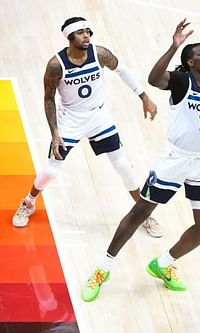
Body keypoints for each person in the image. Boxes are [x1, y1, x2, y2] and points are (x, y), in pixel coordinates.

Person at [81, 9, 200, 302]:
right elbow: (154, 79)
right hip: (173, 160)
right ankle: (102, 269)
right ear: (191, 62)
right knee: (140, 213)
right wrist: (174, 45)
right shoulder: (182, 83)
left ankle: (163, 264)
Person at [11, 17, 164, 238]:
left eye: (88, 32)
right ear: (70, 37)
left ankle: (143, 214)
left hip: (98, 117)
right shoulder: (56, 65)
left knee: (122, 166)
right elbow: (48, 99)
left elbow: (123, 71)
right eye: (81, 33)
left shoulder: (99, 54)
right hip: (70, 119)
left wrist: (144, 97)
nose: (87, 36)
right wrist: (54, 133)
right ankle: (29, 202)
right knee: (52, 169)